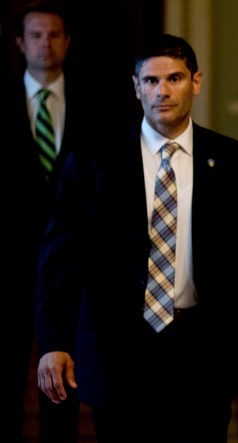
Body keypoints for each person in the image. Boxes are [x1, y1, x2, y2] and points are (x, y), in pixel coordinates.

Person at [35, 34, 238, 443]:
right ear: (136, 86)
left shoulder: (237, 163)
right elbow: (60, 260)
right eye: (150, 81)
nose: (162, 91)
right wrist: (53, 342)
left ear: (196, 82)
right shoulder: (95, 161)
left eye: (174, 78)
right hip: (118, 352)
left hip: (202, 351)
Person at [2, 2, 81, 441]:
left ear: (66, 41)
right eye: (35, 35)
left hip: (71, 265)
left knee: (62, 380)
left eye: (54, 35)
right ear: (20, 43)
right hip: (10, 263)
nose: (45, 44)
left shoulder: (97, 105)